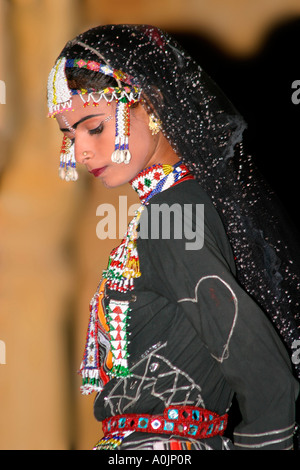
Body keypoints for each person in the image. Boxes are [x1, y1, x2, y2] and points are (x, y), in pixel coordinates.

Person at [47, 24, 300, 450]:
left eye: (93, 127)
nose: (80, 151)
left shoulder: (172, 211)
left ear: (151, 106)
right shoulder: (176, 206)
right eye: (69, 135)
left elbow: (266, 378)